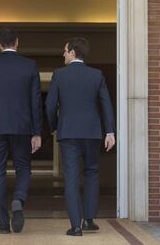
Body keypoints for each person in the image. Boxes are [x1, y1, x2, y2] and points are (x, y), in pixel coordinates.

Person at [45, 37, 115, 236]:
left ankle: (75, 226)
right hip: (92, 133)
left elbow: (50, 106)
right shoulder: (96, 75)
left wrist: (54, 126)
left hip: (68, 134)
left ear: (73, 52)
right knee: (92, 173)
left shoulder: (59, 75)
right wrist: (110, 132)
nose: (63, 54)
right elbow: (106, 104)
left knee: (72, 178)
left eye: (65, 51)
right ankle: (89, 221)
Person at [0, 27, 42, 234]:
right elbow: (36, 102)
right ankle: (18, 198)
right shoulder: (30, 66)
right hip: (22, 127)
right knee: (23, 168)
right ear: (17, 42)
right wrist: (37, 132)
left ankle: (3, 224)